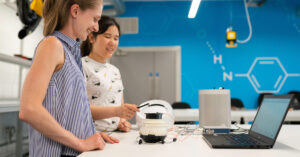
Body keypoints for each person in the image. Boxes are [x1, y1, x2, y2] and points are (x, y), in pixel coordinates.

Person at [18, 0, 137, 156]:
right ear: (75, 11)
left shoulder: (71, 53)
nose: (95, 27)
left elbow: (67, 113)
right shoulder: (52, 45)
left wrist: (88, 134)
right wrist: (80, 143)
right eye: (94, 19)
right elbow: (29, 110)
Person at [81, 16, 135, 132]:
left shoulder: (115, 70)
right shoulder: (82, 66)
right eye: (107, 36)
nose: (113, 42)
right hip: (92, 136)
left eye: (116, 38)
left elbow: (119, 106)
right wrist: (117, 111)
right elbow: (79, 110)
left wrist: (122, 121)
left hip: (114, 136)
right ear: (91, 37)